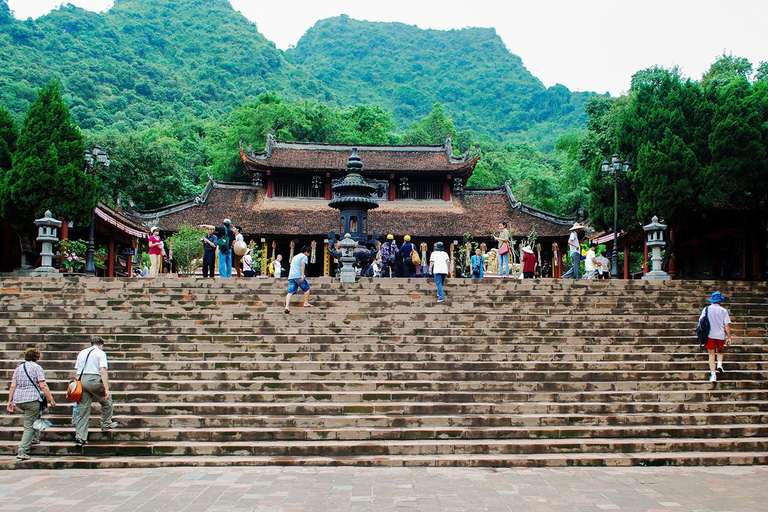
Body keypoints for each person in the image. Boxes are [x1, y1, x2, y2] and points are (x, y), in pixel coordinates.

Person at [6, 347, 56, 461]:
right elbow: (43, 385)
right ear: (37, 357)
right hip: (32, 399)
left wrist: (10, 400)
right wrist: (51, 399)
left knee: (34, 417)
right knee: (29, 425)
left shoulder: (19, 368)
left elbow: (13, 385)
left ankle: (34, 438)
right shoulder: (37, 368)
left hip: (19, 399)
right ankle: (23, 450)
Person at [74, 337, 118, 447]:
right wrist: (106, 388)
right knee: (106, 401)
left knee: (82, 409)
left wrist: (76, 384)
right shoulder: (100, 353)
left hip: (81, 379)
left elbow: (77, 370)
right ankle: (106, 423)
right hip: (93, 379)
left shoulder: (82, 352)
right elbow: (103, 371)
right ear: (101, 344)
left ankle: (80, 437)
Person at [699, 291, 732, 383]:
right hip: (720, 334)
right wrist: (728, 337)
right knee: (720, 351)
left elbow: (701, 321)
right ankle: (720, 365)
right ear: (720, 301)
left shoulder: (706, 309)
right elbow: (727, 325)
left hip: (710, 334)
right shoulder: (723, 311)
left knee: (711, 354)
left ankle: (713, 375)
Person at [284, 246, 312, 314]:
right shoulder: (304, 257)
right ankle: (306, 302)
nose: (309, 254)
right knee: (307, 289)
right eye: (309, 253)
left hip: (291, 276)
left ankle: (287, 306)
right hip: (298, 275)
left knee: (290, 292)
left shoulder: (295, 256)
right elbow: (302, 264)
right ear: (306, 252)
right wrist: (302, 275)